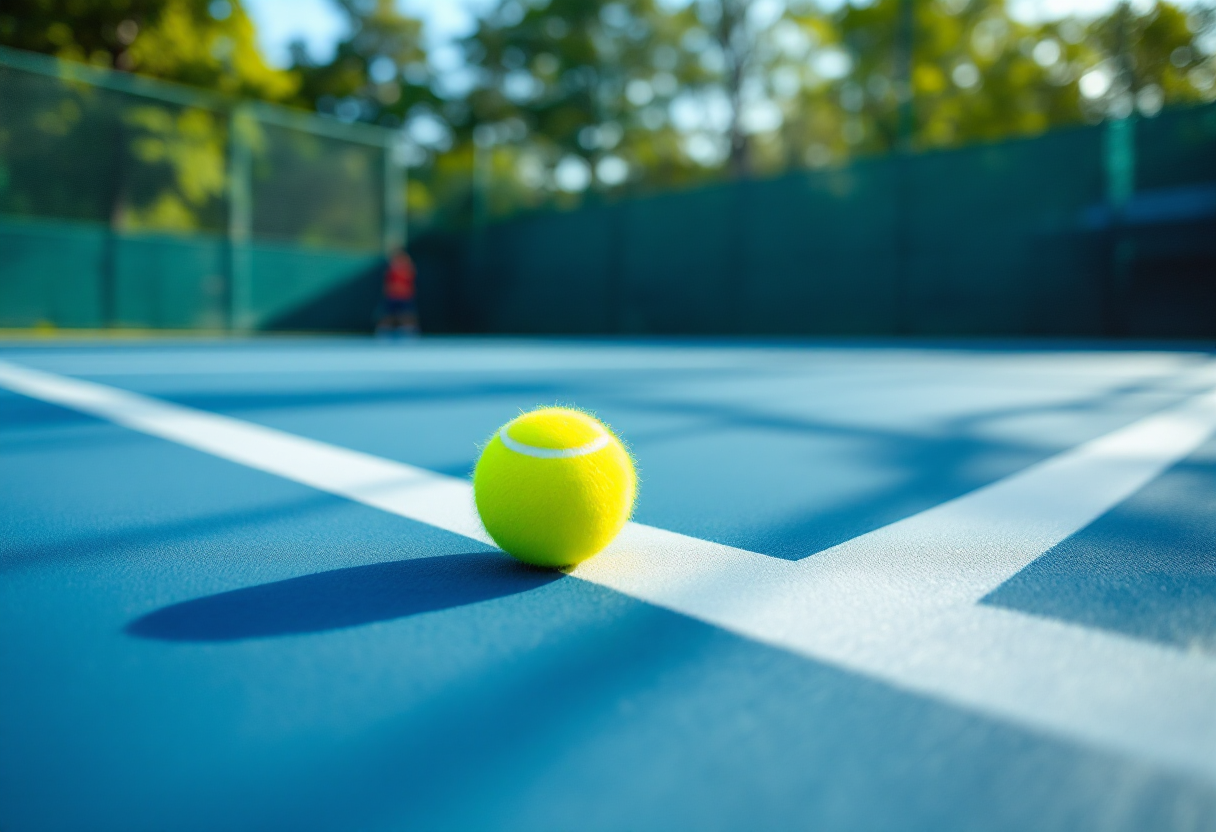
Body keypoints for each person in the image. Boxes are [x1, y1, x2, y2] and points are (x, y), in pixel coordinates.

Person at [376, 249, 419, 337]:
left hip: (405, 296)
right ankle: (383, 332)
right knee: (388, 315)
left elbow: (410, 280)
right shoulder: (391, 269)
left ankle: (409, 333)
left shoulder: (408, 269)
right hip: (392, 296)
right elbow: (387, 283)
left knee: (406, 315)